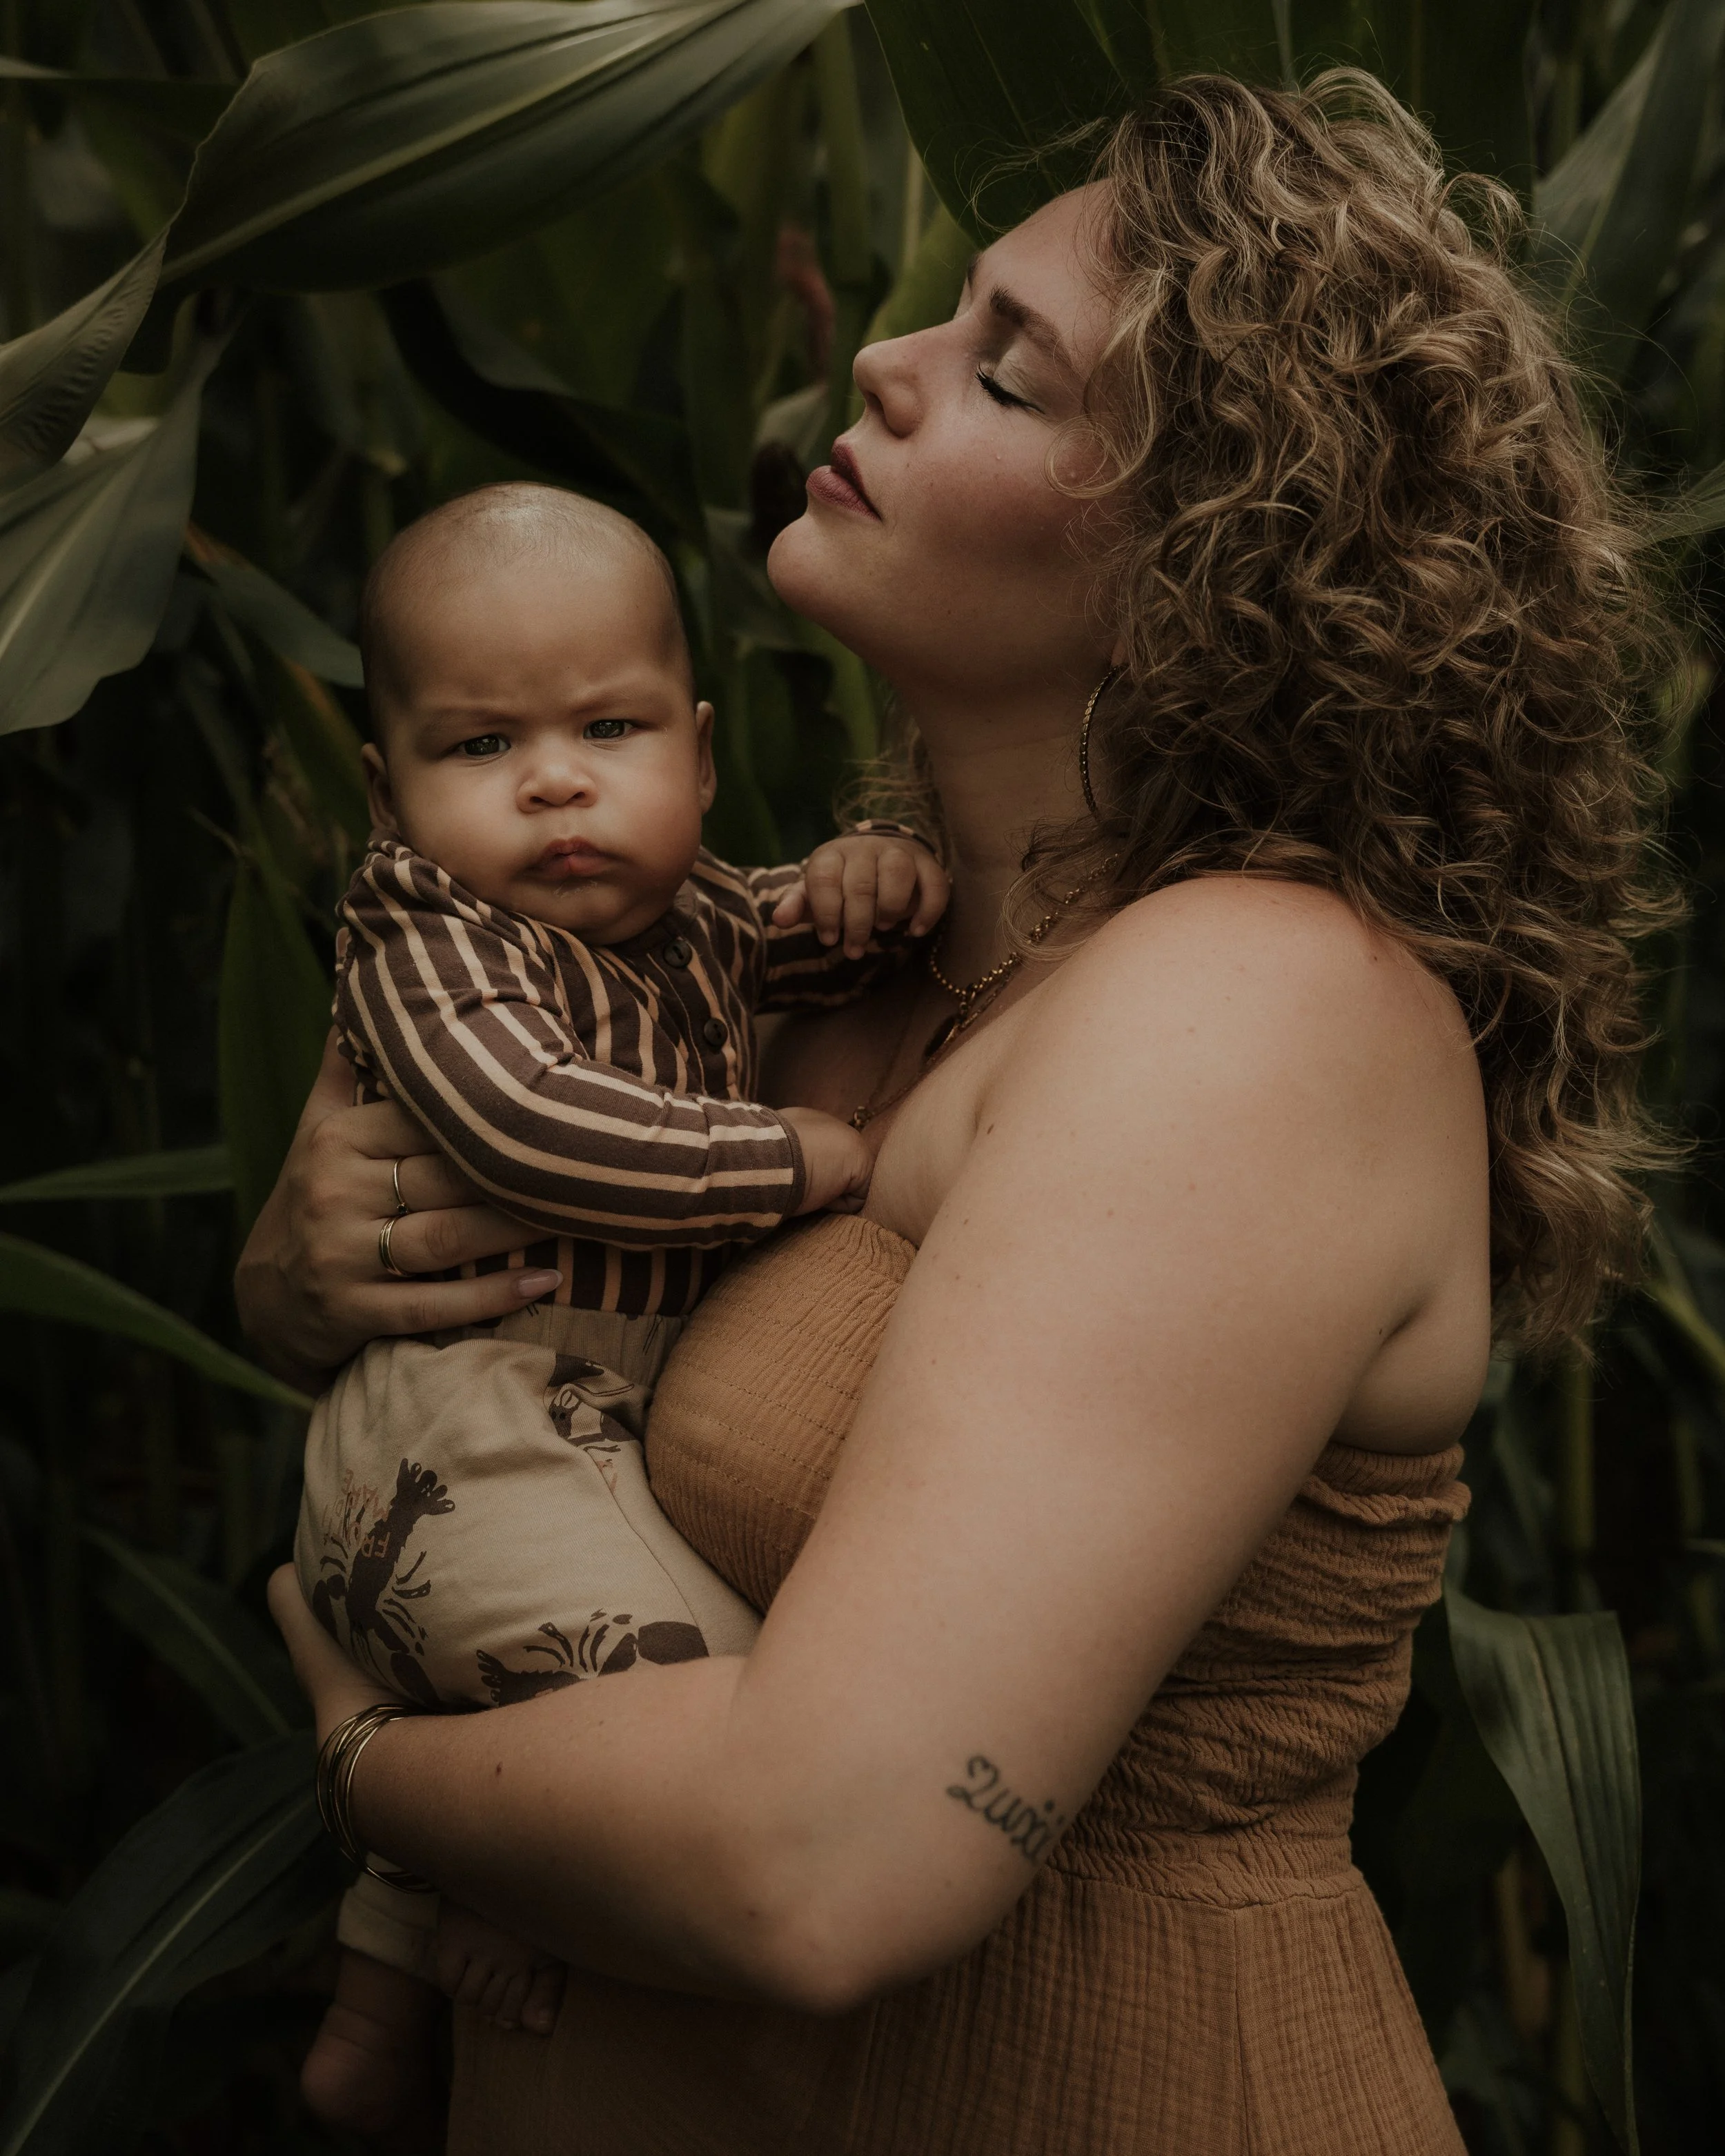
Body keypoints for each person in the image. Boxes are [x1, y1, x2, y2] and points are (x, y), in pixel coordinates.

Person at [246, 72, 1675, 2155]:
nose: (885, 365)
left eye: (1003, 371)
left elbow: (824, 1862)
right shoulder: (800, 958)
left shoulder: (1251, 1012)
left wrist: (367, 1757)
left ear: (1220, 561)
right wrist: (311, 1275)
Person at [290, 484, 948, 2143]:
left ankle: (378, 2009)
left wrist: (866, 877)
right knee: (692, 1704)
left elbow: (794, 936)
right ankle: (502, 1888)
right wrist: (777, 1156)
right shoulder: (431, 942)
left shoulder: (691, 912)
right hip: (468, 1418)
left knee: (551, 1661)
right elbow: (533, 1132)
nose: (556, 778)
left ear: (701, 758)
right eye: (479, 745)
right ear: (385, 797)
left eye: (609, 725)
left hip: (558, 1434)